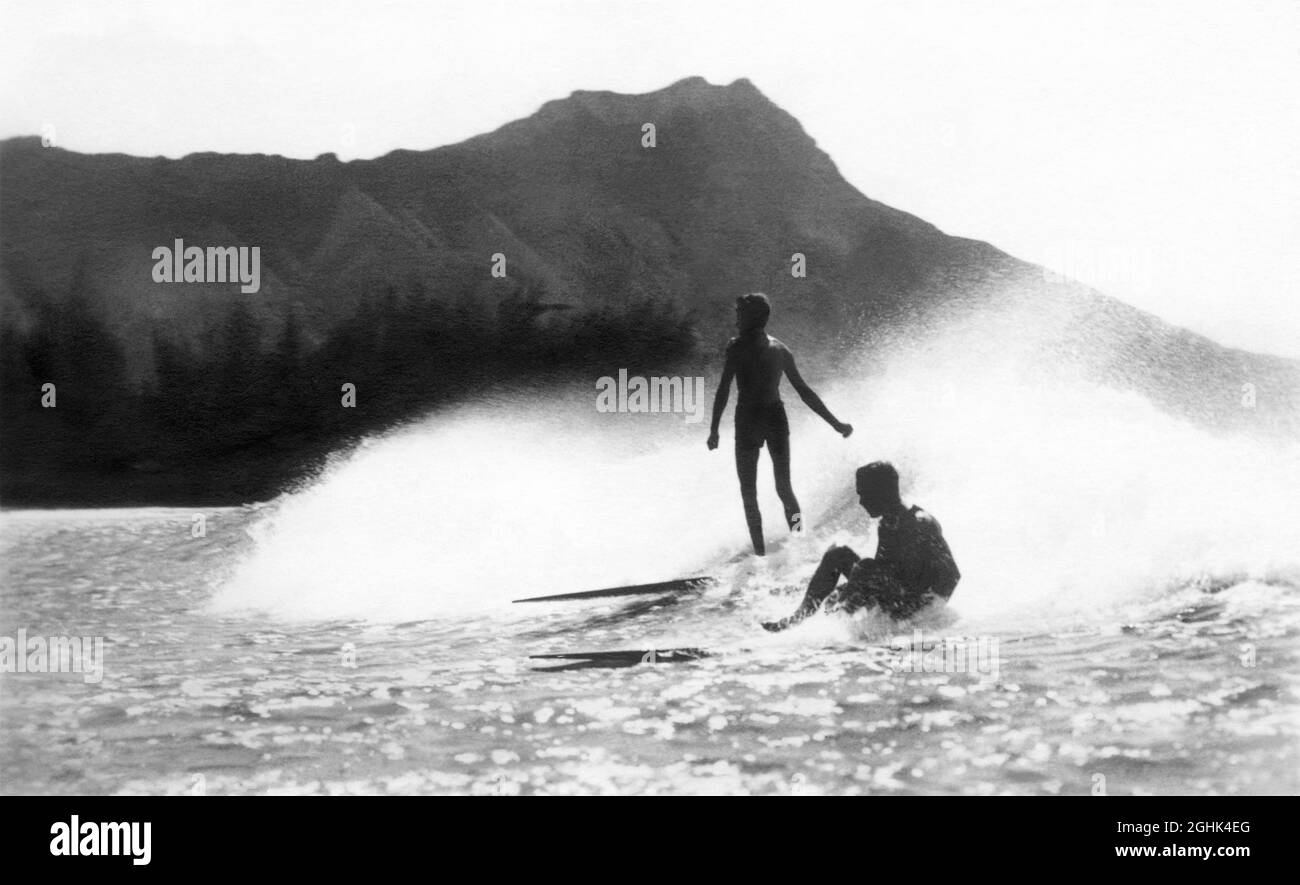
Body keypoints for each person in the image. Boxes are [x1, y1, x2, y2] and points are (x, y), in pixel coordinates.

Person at [708, 293, 853, 556]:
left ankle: (782, 547)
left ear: (754, 317)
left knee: (759, 492)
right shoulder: (777, 348)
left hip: (755, 420)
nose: (736, 318)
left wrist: (835, 423)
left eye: (740, 313)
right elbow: (802, 391)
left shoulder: (743, 347)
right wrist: (836, 424)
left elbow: (802, 391)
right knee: (775, 489)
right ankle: (784, 548)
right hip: (771, 417)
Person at [762, 461, 960, 631]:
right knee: (838, 553)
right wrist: (851, 588)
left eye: (865, 494)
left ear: (883, 492)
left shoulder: (919, 523)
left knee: (865, 568)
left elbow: (951, 575)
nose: (862, 501)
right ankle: (800, 617)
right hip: (896, 595)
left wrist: (923, 614)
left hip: (913, 605)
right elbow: (884, 570)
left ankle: (840, 625)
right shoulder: (887, 523)